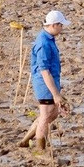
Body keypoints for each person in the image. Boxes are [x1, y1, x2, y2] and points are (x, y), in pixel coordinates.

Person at [20, 10, 69, 152]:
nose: (62, 28)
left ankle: (26, 139)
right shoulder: (44, 43)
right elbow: (44, 70)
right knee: (46, 117)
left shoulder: (48, 39)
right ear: (54, 25)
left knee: (52, 114)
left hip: (51, 82)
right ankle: (40, 149)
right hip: (44, 84)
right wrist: (56, 94)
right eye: (61, 25)